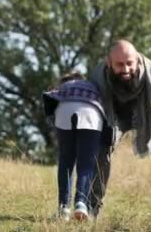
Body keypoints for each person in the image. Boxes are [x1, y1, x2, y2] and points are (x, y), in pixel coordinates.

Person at [88, 39, 151, 226]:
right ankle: (92, 207)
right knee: (101, 148)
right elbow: (87, 107)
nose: (126, 69)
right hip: (114, 113)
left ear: (137, 60)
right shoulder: (97, 77)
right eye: (119, 65)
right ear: (108, 63)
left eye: (129, 63)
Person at [42, 71, 106, 221]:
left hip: (64, 112)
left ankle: (64, 208)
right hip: (91, 114)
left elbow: (50, 103)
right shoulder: (91, 86)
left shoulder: (63, 87)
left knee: (66, 162)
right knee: (86, 164)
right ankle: (81, 203)